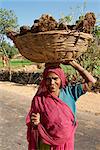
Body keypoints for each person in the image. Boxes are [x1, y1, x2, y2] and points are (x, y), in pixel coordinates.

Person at [26, 60, 96, 150]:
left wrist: (73, 64)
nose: (52, 82)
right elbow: (33, 125)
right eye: (48, 79)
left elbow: (92, 81)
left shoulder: (70, 93)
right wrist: (35, 123)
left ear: (61, 79)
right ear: (44, 80)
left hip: (67, 143)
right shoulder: (39, 99)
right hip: (47, 144)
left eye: (55, 78)